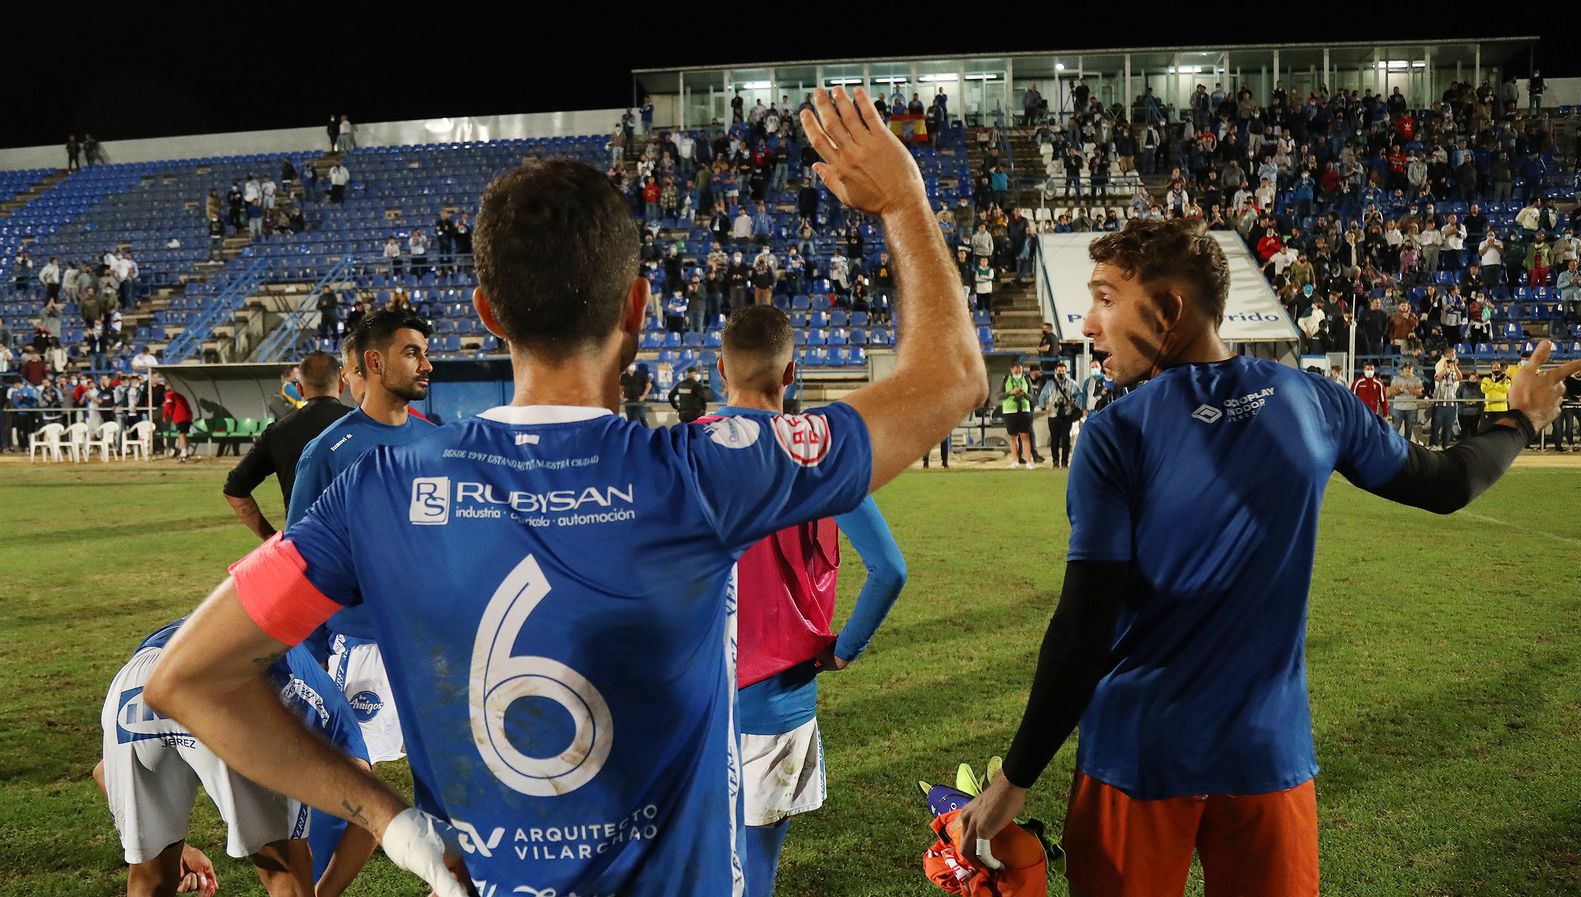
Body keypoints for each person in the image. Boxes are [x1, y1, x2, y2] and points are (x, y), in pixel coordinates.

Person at [139, 89, 986, 897]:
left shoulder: (381, 491)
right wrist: (903, 202)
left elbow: (188, 679)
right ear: (639, 307)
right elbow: (950, 379)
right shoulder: (705, 472)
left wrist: (390, 822)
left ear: (487, 313)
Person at [954, 216, 1581, 897]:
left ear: (1169, 308)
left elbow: (1083, 632)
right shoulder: (1315, 400)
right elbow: (1449, 483)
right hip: (1268, 753)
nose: (1088, 324)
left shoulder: (1116, 435)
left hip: (1136, 756)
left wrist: (1011, 781)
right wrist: (1520, 418)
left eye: (1107, 298)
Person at [703, 306, 908, 897]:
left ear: (721, 370)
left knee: (702, 859)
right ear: (791, 373)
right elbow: (889, 570)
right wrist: (844, 650)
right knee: (756, 868)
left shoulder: (682, 452)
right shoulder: (821, 458)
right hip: (781, 699)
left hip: (699, 700)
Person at [281, 309, 435, 886]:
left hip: (435, 647)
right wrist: (310, 657)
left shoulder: (438, 439)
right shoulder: (329, 451)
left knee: (446, 783)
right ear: (373, 362)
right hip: (363, 645)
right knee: (348, 784)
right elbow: (299, 563)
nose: (426, 363)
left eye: (424, 351)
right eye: (412, 352)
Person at [98, 618, 369, 897]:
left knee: (149, 877)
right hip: (227, 684)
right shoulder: (333, 713)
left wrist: (179, 849)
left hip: (138, 681)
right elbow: (368, 819)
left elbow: (102, 772)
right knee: (284, 870)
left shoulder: (258, 638)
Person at [222, 353, 349, 540]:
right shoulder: (364, 425)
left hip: (303, 548)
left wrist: (271, 538)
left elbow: (234, 488)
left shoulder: (277, 432)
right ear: (341, 385)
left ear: (299, 389)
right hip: (356, 546)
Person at [1037, 365, 1082, 468]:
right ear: (1055, 371)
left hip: (1066, 414)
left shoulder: (1072, 383)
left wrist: (1074, 403)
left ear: (1066, 371)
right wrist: (1044, 408)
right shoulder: (1050, 384)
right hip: (1053, 414)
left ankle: (1065, 462)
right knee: (1055, 439)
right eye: (1059, 371)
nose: (1061, 373)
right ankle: (1055, 461)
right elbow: (1042, 396)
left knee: (1066, 439)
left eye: (1062, 371)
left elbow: (1080, 394)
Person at [1000, 361, 1036, 469]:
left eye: (1020, 369)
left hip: (1024, 410)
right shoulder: (1006, 379)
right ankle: (1015, 461)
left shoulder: (1026, 379)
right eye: (1015, 369)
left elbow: (1031, 396)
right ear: (1011, 369)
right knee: (1012, 437)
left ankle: (1029, 461)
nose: (1018, 371)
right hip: (1009, 411)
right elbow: (1000, 395)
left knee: (1025, 436)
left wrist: (1023, 394)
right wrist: (1010, 392)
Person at [1389, 361, 1424, 441]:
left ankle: (1407, 446)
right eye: (1406, 368)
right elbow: (1392, 391)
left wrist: (1408, 388)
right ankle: (1393, 444)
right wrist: (1401, 390)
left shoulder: (1417, 379)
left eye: (1409, 368)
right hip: (1398, 407)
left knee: (1409, 429)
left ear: (1412, 369)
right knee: (1395, 428)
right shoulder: (1397, 378)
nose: (1408, 369)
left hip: (1411, 408)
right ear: (1403, 369)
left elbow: (1419, 392)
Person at [162, 387, 195, 460]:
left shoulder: (169, 395)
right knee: (184, 434)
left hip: (180, 417)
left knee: (181, 434)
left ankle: (184, 452)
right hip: (188, 416)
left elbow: (168, 405)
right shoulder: (180, 396)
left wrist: (164, 415)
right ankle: (184, 451)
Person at [620, 361, 654, 425]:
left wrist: (644, 396)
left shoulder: (640, 375)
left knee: (642, 418)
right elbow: (620, 388)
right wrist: (621, 397)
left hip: (638, 400)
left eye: (633, 364)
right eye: (630, 364)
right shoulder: (624, 376)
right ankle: (632, 434)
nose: (632, 365)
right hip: (628, 401)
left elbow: (649, 385)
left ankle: (646, 432)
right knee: (630, 420)